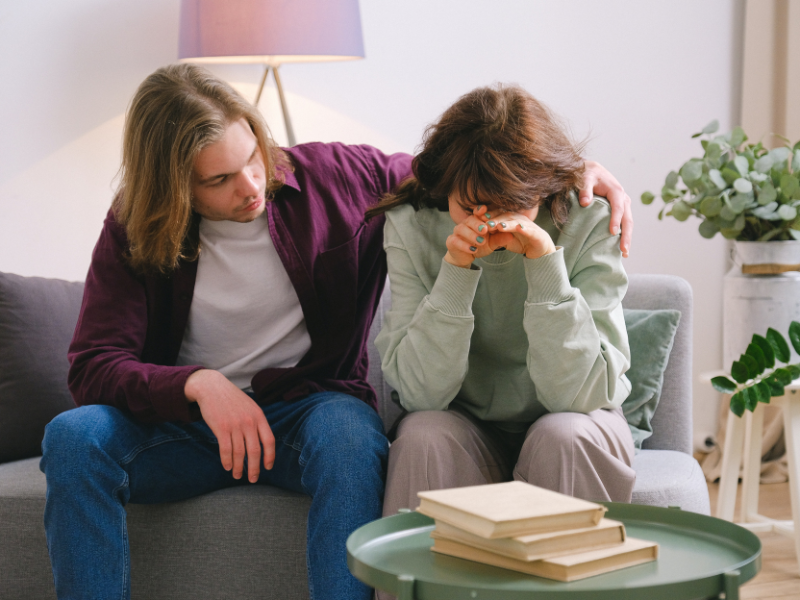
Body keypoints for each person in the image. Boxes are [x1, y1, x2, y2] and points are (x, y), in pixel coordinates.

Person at [39, 64, 632, 600]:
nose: (249, 185)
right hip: (190, 429)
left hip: (308, 415)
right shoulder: (133, 227)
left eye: (253, 157)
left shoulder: (337, 176)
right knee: (74, 437)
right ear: (171, 186)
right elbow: (92, 363)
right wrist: (197, 385)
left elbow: (461, 173)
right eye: (218, 180)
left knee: (350, 437)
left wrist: (570, 172)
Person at [370, 84, 637, 519]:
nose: (491, 222)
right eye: (471, 205)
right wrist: (455, 270)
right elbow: (420, 393)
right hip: (466, 426)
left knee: (564, 436)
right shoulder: (410, 224)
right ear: (446, 187)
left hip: (577, 418)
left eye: (513, 205)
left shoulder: (591, 217)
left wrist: (546, 264)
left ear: (542, 187)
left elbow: (585, 393)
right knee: (423, 435)